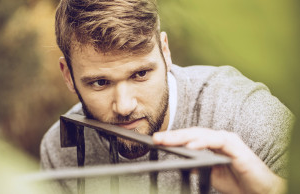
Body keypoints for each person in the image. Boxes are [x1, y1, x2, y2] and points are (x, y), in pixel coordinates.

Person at [40, 0, 294, 193]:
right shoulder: (61, 149)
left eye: (140, 74)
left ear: (165, 51)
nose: (124, 106)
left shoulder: (244, 114)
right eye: (100, 82)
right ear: (68, 75)